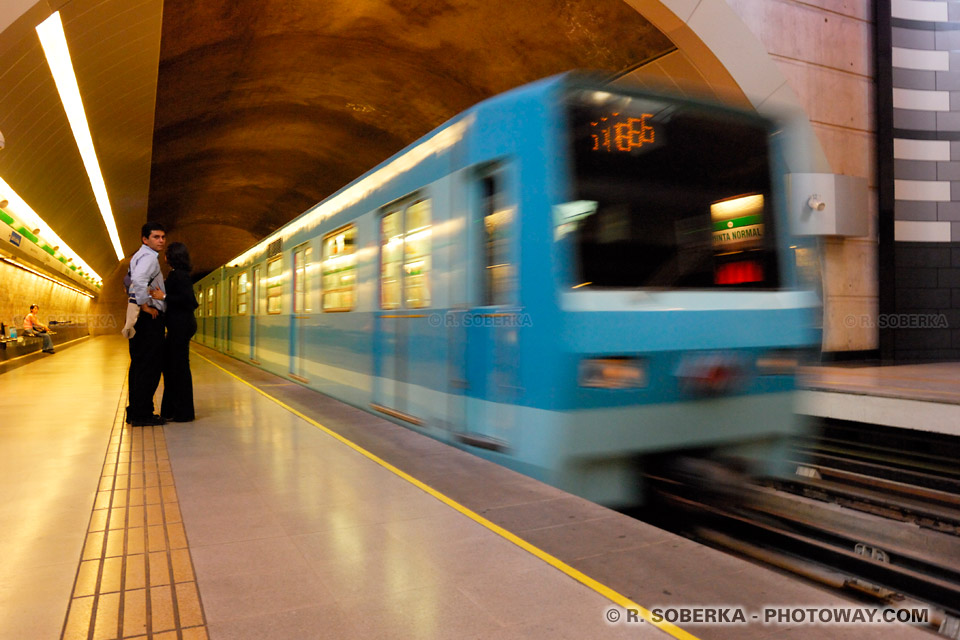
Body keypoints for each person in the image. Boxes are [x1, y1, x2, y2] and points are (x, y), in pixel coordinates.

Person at [126, 222, 167, 426]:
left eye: (162, 237)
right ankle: (143, 414)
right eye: (156, 237)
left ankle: (135, 411)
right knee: (150, 367)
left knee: (139, 366)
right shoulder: (149, 258)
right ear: (145, 239)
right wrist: (145, 306)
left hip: (141, 320)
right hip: (149, 319)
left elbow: (131, 280)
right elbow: (139, 280)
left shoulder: (138, 256)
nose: (161, 240)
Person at [157, 242, 198, 422]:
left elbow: (190, 301)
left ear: (171, 256)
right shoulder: (177, 274)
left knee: (178, 368)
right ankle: (172, 410)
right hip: (178, 326)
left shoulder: (180, 275)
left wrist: (164, 296)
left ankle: (183, 413)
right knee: (173, 366)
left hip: (181, 326)